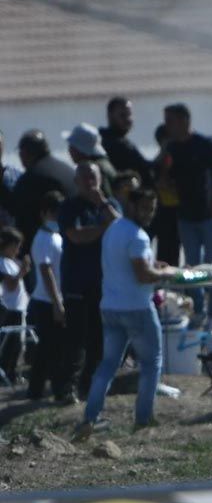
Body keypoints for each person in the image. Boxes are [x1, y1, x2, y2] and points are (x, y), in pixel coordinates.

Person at [74, 188, 180, 440]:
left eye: (152, 209)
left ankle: (91, 417)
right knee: (152, 362)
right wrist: (168, 273)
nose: (149, 213)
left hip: (110, 307)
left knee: (108, 363)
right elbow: (142, 275)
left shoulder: (114, 229)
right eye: (144, 207)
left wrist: (154, 266)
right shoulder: (138, 236)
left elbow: (131, 265)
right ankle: (143, 419)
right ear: (130, 206)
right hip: (137, 308)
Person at [163, 103, 212, 326]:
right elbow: (165, 174)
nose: (167, 126)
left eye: (170, 121)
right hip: (186, 216)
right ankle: (199, 309)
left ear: (184, 121)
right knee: (191, 265)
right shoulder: (172, 148)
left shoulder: (205, 145)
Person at [58, 162, 121, 402]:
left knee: (98, 337)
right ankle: (66, 387)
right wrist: (103, 229)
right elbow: (77, 236)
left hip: (103, 283)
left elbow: (119, 229)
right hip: (76, 281)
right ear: (76, 181)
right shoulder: (70, 207)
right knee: (75, 338)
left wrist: (102, 204)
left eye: (92, 176)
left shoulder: (109, 205)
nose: (89, 181)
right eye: (83, 177)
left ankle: (90, 385)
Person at [26, 191, 69, 400]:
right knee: (54, 348)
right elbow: (45, 270)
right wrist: (57, 302)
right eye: (54, 213)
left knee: (47, 348)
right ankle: (59, 390)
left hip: (55, 298)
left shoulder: (57, 236)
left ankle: (35, 390)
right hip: (46, 300)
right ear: (44, 213)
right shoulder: (43, 238)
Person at [13, 130, 76, 249]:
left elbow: (22, 220)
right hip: (75, 241)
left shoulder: (29, 179)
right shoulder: (68, 170)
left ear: (25, 153)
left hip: (47, 249)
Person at [99, 98, 153, 185]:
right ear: (110, 116)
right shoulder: (115, 144)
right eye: (122, 115)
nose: (128, 119)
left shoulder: (110, 139)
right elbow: (146, 169)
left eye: (129, 115)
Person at [0, 227, 30, 385]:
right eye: (15, 246)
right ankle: (7, 373)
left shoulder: (12, 262)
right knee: (11, 344)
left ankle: (14, 372)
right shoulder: (2, 263)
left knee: (20, 344)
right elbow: (10, 285)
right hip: (9, 309)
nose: (18, 250)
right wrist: (22, 272)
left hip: (19, 308)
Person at [150, 122, 181, 265]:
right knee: (165, 251)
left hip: (174, 211)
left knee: (172, 250)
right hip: (164, 211)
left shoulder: (172, 159)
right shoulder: (160, 161)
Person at [64, 123, 120, 195]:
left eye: (72, 146)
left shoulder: (93, 171)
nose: (69, 150)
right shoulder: (103, 163)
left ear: (80, 149)